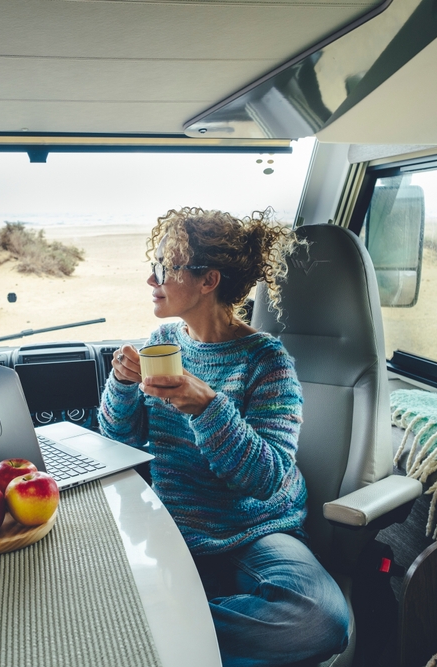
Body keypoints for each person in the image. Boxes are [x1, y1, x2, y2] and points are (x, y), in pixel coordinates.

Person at [98, 206, 350, 667]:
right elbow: (118, 440)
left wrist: (208, 408)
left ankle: (141, 638)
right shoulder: (163, 341)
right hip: (172, 524)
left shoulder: (267, 362)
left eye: (164, 268)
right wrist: (122, 385)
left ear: (207, 280)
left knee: (321, 620)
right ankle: (161, 636)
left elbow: (267, 478)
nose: (151, 281)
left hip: (256, 530)